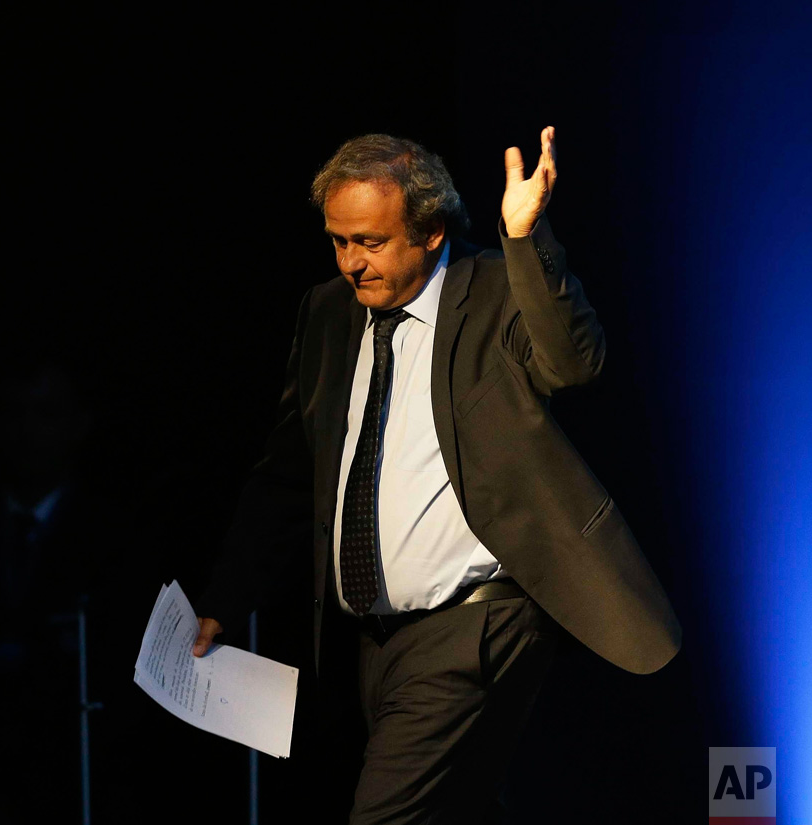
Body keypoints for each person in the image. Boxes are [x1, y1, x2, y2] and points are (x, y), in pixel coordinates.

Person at [190, 128, 681, 824]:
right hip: (368, 645)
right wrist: (227, 594)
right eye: (338, 241)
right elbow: (289, 473)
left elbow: (573, 363)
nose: (351, 262)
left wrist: (525, 238)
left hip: (473, 625)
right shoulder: (327, 313)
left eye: (370, 241)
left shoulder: (490, 290)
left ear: (427, 231)